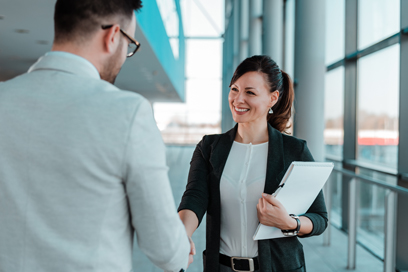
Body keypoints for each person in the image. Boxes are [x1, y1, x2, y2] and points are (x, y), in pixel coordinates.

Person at [0, 1, 192, 271]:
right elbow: (165, 249)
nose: (126, 54)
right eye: (130, 45)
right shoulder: (128, 113)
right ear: (113, 36)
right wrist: (182, 247)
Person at [178, 55, 328, 272]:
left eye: (250, 92)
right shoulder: (209, 147)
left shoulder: (294, 150)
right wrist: (182, 234)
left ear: (273, 98)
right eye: (234, 89)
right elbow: (194, 198)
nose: (238, 99)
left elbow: (319, 218)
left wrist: (289, 223)